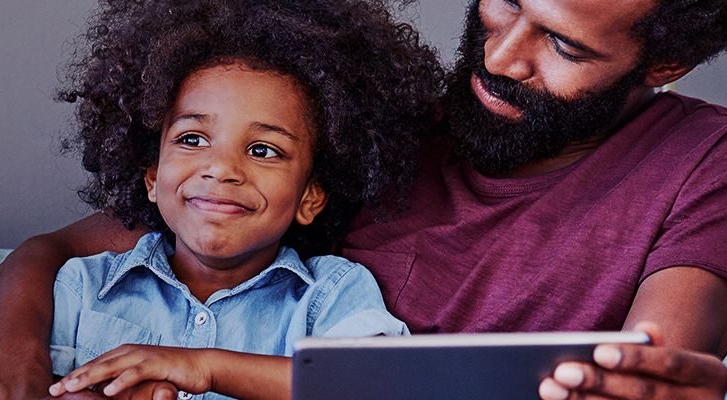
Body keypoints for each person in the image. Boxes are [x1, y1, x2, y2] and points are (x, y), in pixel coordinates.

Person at [0, 0, 727, 398]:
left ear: (662, 66)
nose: (502, 55)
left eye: (560, 43)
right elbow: (55, 255)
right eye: (507, 2)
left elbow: (646, 367)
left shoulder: (722, 165)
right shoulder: (368, 132)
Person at [38, 0, 442, 398]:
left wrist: (206, 367)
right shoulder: (82, 288)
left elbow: (376, 385)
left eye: (263, 150)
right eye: (192, 139)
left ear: (310, 197)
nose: (222, 168)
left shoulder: (331, 295)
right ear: (154, 177)